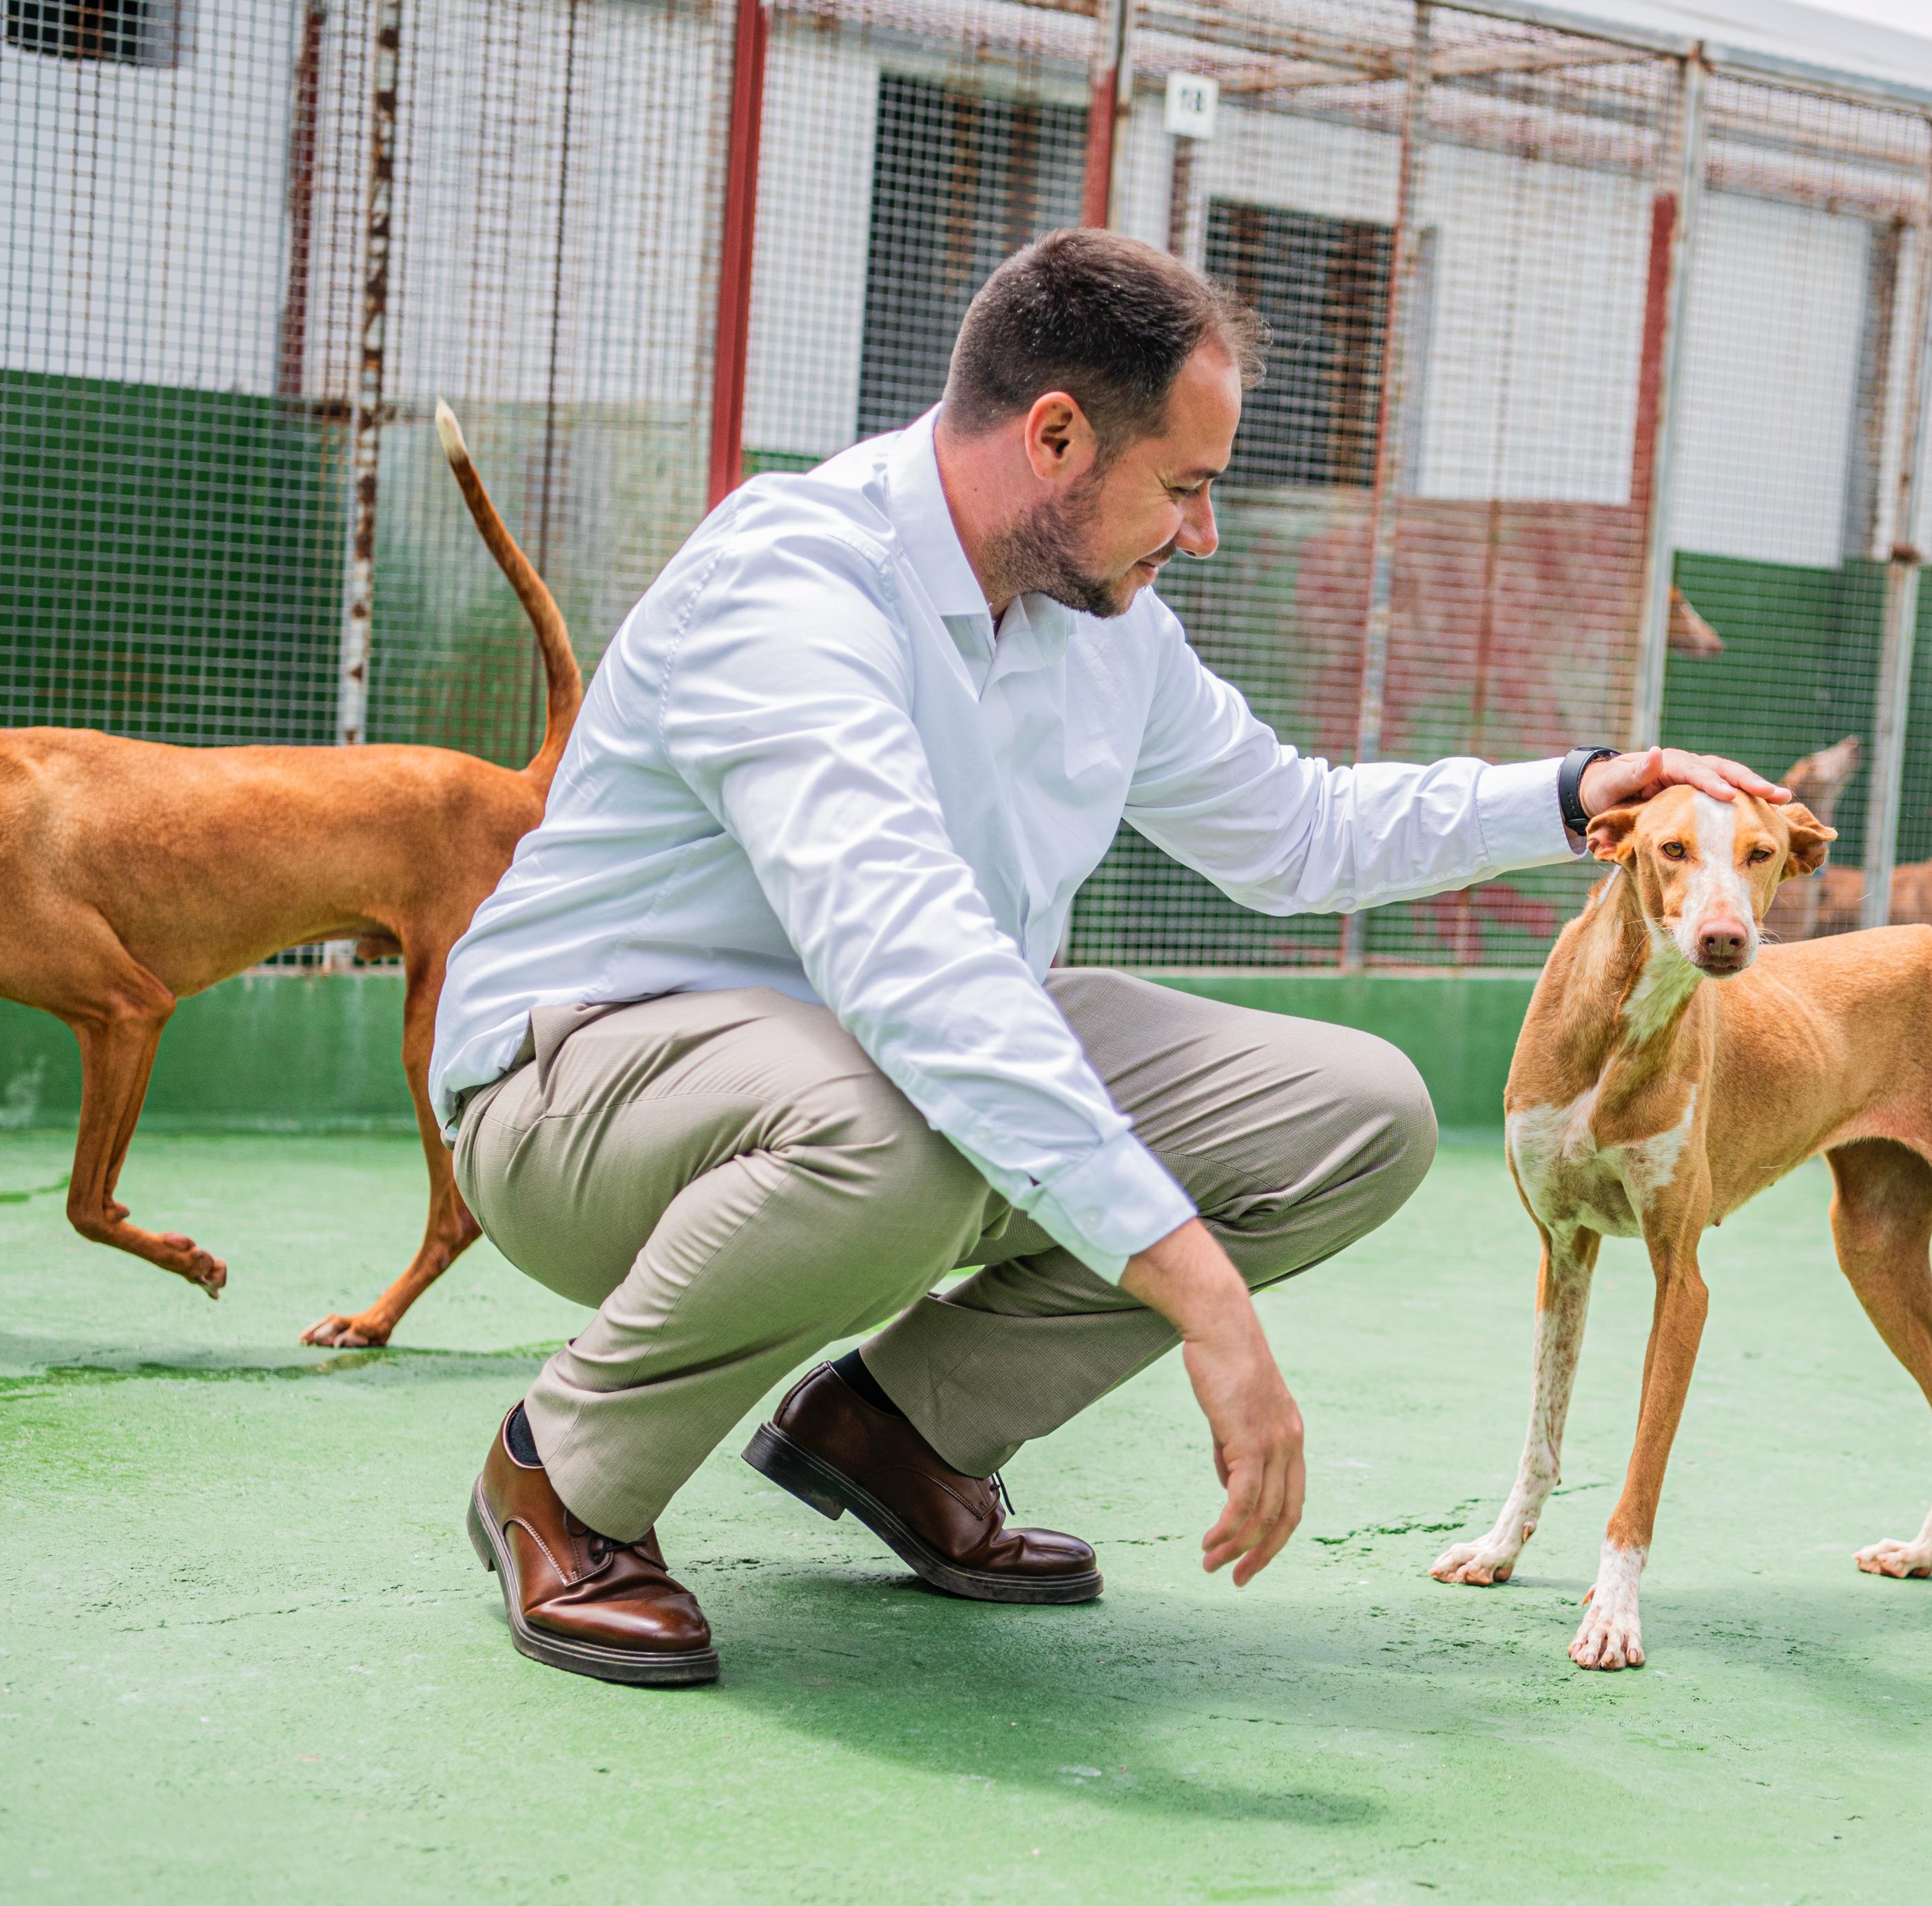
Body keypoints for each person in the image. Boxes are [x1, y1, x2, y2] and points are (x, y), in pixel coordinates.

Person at [428, 228, 1787, 1686]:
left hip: (865, 1079)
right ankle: (561, 1478)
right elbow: (908, 963)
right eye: (1184, 488)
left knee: (1354, 1116)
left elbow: (1293, 828)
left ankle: (899, 1431)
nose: (1198, 533)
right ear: (1056, 437)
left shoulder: (1103, 625)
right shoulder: (793, 586)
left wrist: (1573, 789)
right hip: (577, 1091)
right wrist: (1200, 1290)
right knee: (916, 1112)